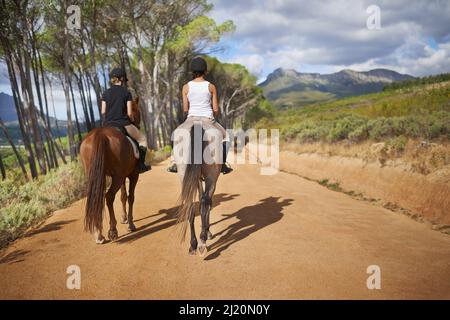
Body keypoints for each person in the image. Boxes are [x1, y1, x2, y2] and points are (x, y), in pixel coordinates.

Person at [168, 57, 232, 174]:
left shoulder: (186, 87)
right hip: (208, 119)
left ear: (192, 71)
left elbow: (186, 109)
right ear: (205, 71)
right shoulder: (211, 86)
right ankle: (223, 164)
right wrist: (214, 114)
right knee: (227, 137)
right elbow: (216, 109)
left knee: (175, 135)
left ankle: (175, 162)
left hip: (191, 118)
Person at [101, 67, 151, 173]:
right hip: (122, 124)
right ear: (122, 79)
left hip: (107, 125)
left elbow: (103, 111)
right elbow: (129, 113)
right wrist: (131, 119)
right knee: (142, 140)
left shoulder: (105, 93)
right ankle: (141, 165)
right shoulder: (126, 93)